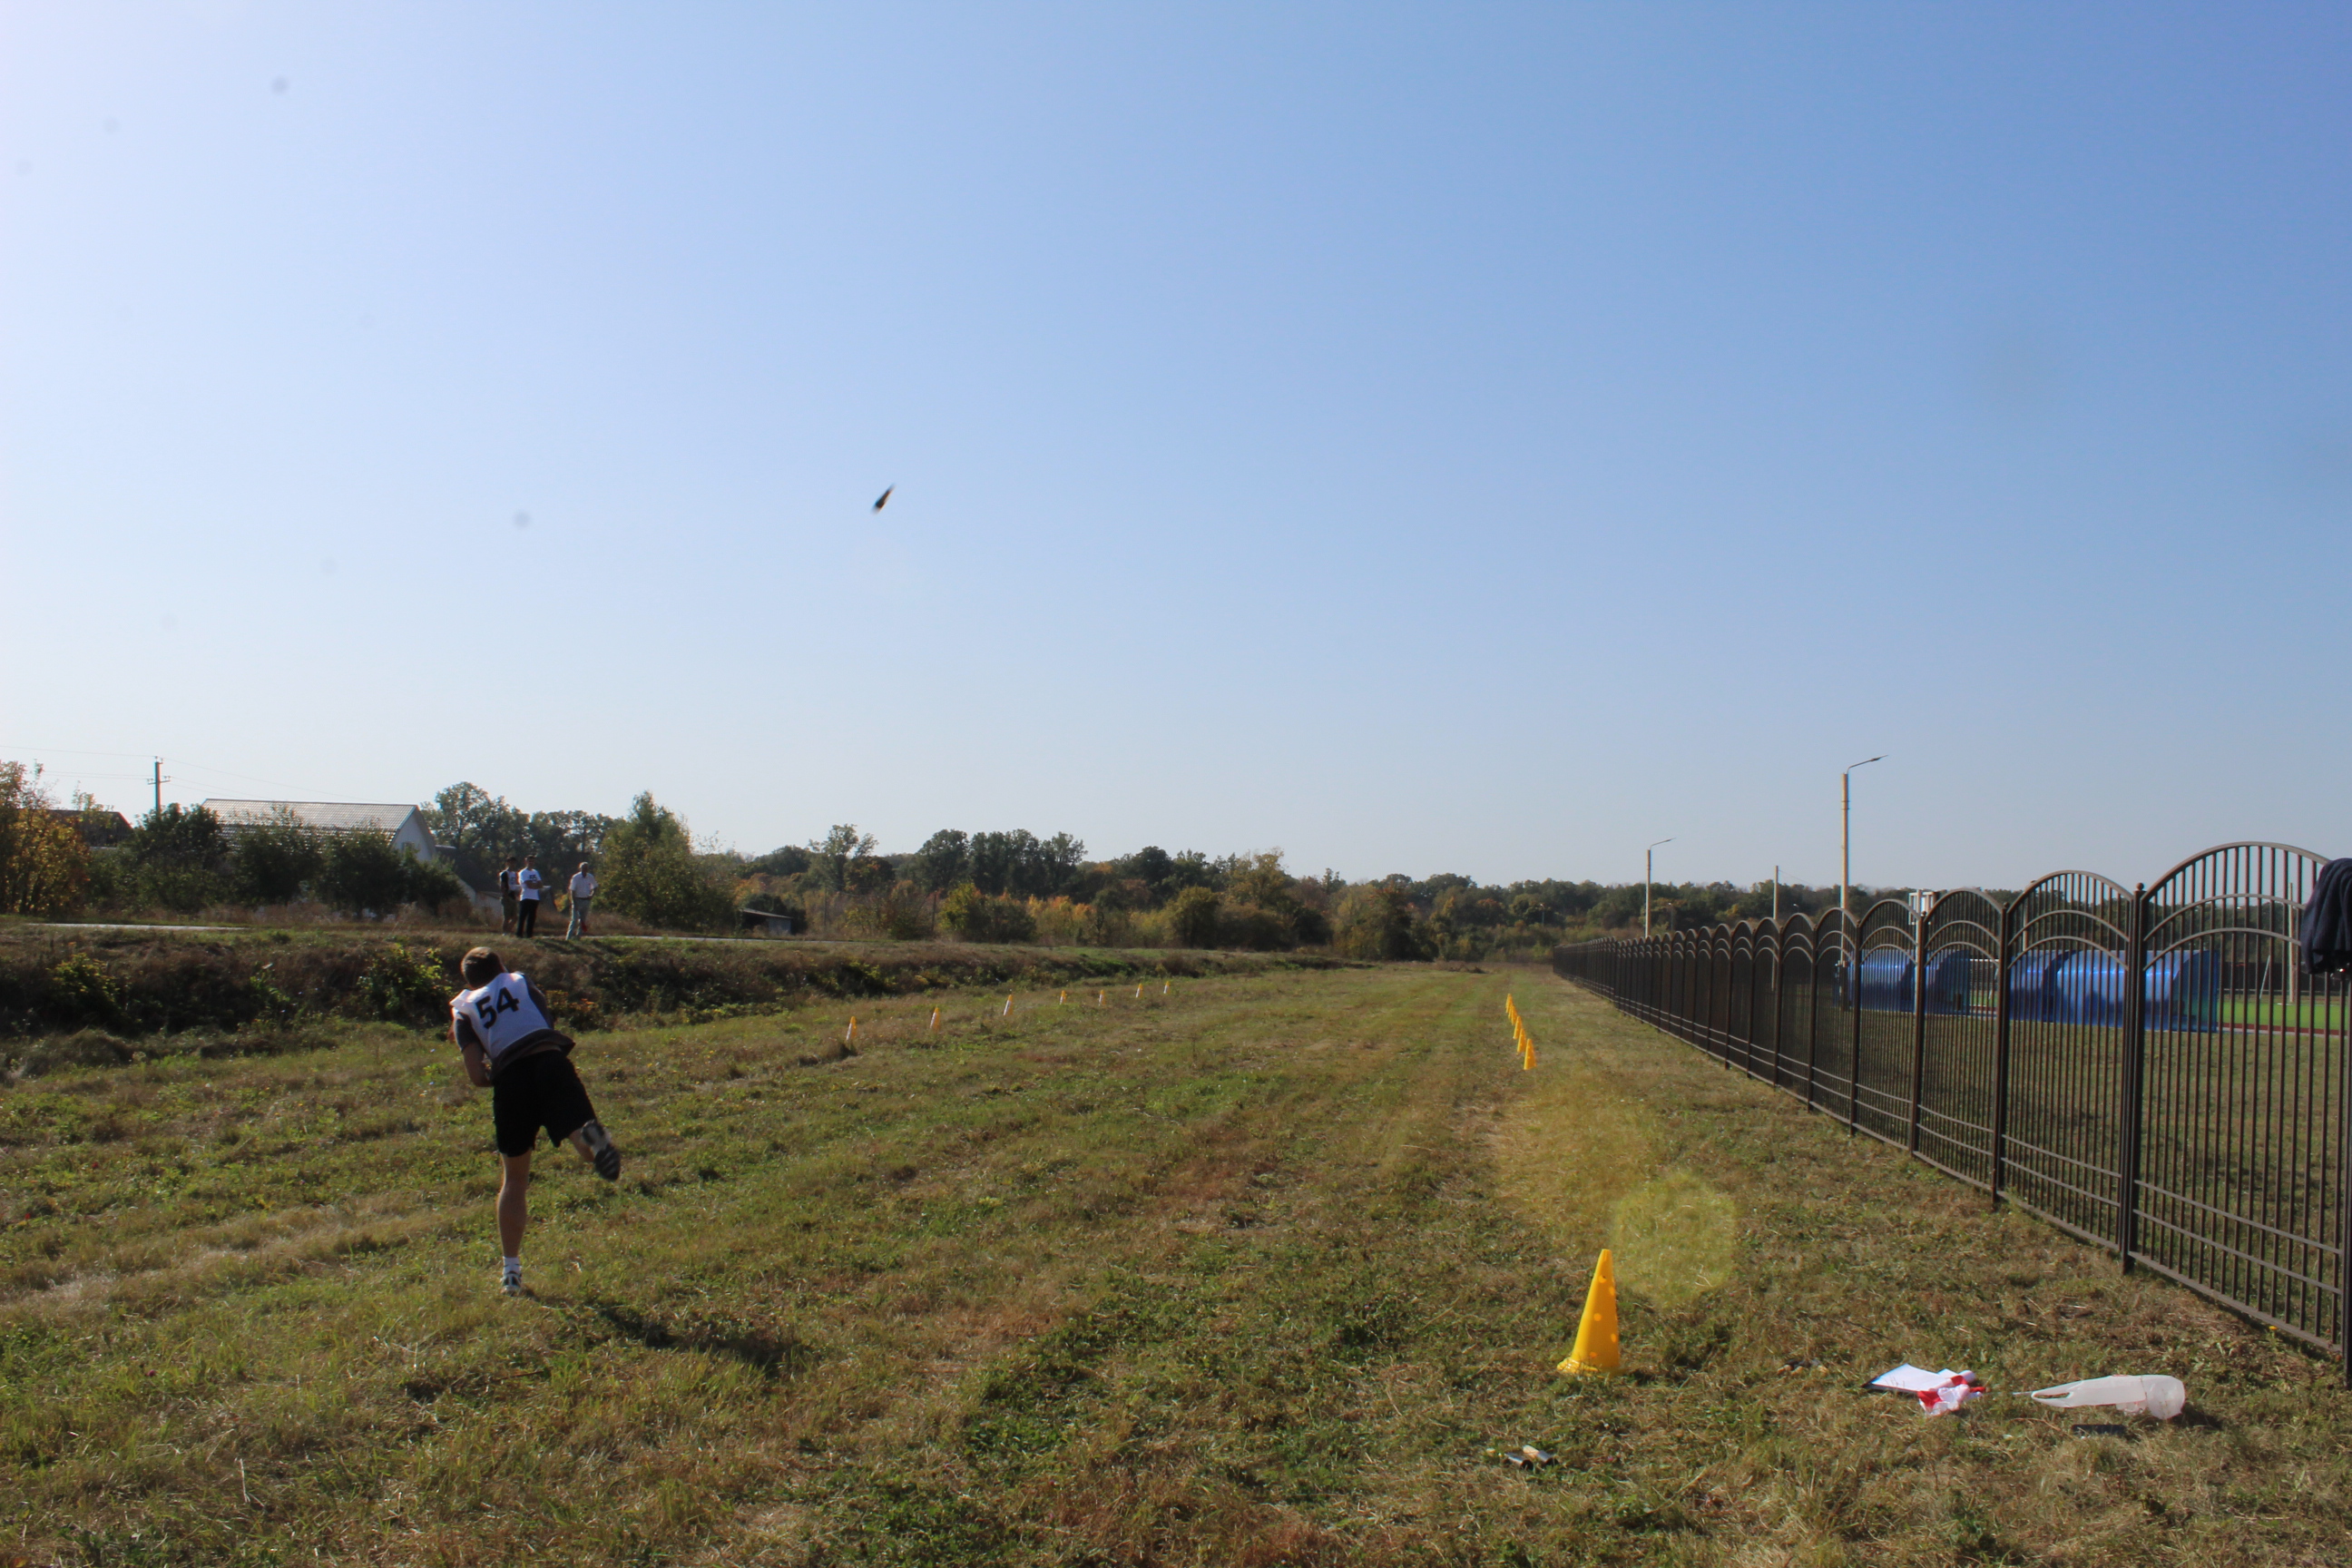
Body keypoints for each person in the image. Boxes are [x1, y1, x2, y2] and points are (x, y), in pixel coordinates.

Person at [449, 946, 621, 1296]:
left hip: (511, 1082)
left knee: (514, 1179)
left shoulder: (463, 1011)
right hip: (548, 1062)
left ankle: (511, 1271)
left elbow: (476, 1075)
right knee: (579, 1133)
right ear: (501, 967)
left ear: (469, 981)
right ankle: (591, 1140)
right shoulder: (520, 983)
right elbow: (545, 1024)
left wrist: (496, 1071)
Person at [565, 860, 597, 937]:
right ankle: (568, 937)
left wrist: (592, 895)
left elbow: (595, 886)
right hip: (577, 900)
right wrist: (574, 902)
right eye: (583, 868)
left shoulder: (590, 877)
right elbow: (572, 890)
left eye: (586, 868)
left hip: (586, 900)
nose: (585, 870)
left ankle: (578, 936)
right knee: (574, 920)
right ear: (580, 869)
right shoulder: (576, 877)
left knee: (582, 920)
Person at [515, 855, 544, 937]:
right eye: (529, 861)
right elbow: (528, 884)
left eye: (532, 861)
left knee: (532, 917)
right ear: (526, 862)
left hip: (535, 897)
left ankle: (529, 934)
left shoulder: (535, 872)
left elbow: (541, 884)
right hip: (526, 897)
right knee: (523, 916)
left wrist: (535, 885)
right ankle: (519, 933)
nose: (531, 863)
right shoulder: (523, 872)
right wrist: (535, 885)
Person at [497, 857, 521, 936]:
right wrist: (506, 895)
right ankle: (505, 932)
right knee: (507, 917)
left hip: (513, 896)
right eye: (511, 862)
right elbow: (502, 885)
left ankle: (508, 931)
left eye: (514, 863)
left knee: (515, 917)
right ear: (507, 863)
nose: (512, 864)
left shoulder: (515, 874)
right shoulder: (504, 873)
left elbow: (516, 884)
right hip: (507, 896)